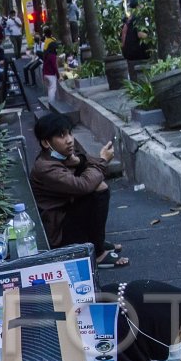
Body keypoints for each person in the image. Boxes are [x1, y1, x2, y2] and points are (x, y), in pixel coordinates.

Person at [28, 112, 129, 268]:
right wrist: (102, 161)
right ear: (46, 143)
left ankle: (95, 241)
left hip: (66, 213)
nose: (69, 140)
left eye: (69, 133)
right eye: (62, 136)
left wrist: (80, 160)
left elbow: (90, 171)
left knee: (96, 186)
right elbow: (84, 185)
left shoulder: (59, 156)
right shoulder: (46, 167)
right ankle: (98, 254)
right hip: (58, 232)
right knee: (99, 189)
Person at [121, 0, 150, 82]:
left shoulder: (129, 19)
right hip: (138, 52)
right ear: (138, 6)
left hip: (129, 52)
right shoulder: (138, 18)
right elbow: (140, 34)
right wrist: (151, 38)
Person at [40, 26, 60, 102]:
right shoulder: (52, 56)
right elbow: (55, 66)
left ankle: (50, 102)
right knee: (52, 88)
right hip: (50, 75)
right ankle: (51, 104)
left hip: (45, 73)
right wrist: (58, 76)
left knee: (50, 89)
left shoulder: (47, 55)